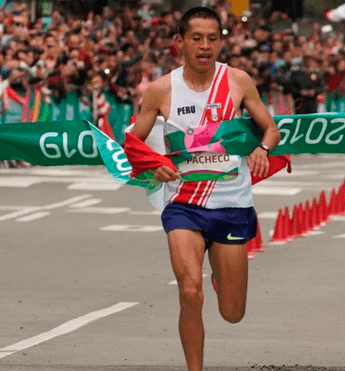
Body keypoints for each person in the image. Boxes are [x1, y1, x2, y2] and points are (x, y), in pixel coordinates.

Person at [130, 7, 280, 371]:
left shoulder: (238, 81)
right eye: (196, 38)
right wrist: (155, 165)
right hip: (184, 205)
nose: (205, 46)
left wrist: (262, 149)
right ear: (179, 42)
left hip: (232, 203)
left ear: (221, 42)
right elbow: (133, 143)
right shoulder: (162, 89)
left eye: (213, 38)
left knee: (232, 313)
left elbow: (271, 129)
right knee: (189, 292)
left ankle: (221, 278)